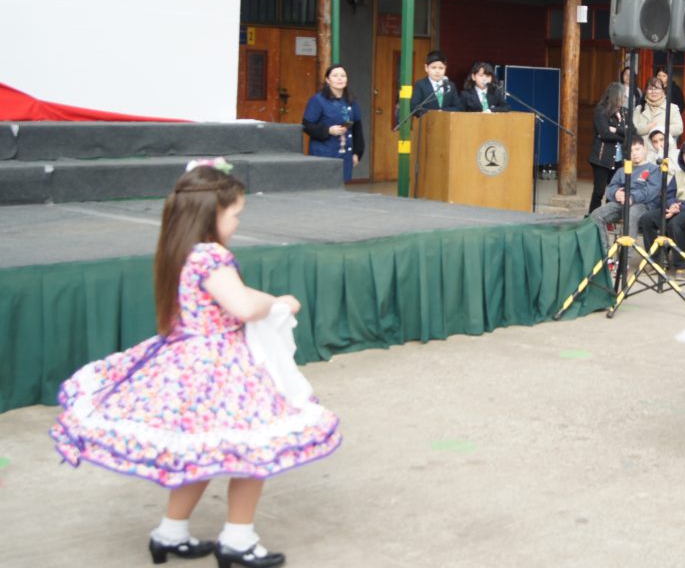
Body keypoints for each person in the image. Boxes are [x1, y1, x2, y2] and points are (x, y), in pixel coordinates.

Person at [50, 163, 341, 568]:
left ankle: (170, 532)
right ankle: (238, 539)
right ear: (211, 214)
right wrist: (279, 303)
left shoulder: (182, 250)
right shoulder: (211, 256)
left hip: (187, 364)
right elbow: (240, 304)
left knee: (202, 451)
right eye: (235, 214)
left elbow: (232, 294)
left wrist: (268, 298)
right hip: (220, 368)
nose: (238, 222)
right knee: (253, 448)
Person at [639, 138, 685, 262]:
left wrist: (680, 208)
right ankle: (657, 258)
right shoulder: (679, 173)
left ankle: (681, 264)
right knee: (647, 218)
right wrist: (672, 205)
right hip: (675, 207)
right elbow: (668, 193)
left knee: (674, 224)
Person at [589, 135, 661, 238]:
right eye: (631, 151)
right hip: (621, 204)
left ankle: (627, 252)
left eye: (637, 149)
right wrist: (615, 193)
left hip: (643, 204)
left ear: (645, 149)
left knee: (630, 214)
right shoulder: (622, 170)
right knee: (596, 215)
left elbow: (651, 191)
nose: (634, 153)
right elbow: (611, 187)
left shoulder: (653, 169)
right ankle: (605, 251)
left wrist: (631, 197)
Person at [303, 64, 364, 182]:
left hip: (345, 153)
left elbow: (357, 129)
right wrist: (328, 130)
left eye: (343, 75)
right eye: (335, 76)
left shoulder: (351, 101)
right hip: (324, 153)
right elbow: (306, 126)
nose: (340, 78)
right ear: (327, 80)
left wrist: (357, 153)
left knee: (341, 187)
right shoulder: (318, 100)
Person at [587, 82, 628, 214]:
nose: (624, 99)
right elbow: (604, 134)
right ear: (616, 96)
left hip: (618, 158)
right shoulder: (601, 110)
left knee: (613, 191)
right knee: (599, 191)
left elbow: (632, 131)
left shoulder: (623, 112)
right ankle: (592, 218)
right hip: (601, 157)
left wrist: (616, 129)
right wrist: (623, 136)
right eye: (623, 96)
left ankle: (607, 218)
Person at [411, 50, 463, 118]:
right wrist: (434, 113)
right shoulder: (420, 84)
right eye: (433, 67)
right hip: (427, 123)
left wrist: (441, 112)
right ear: (426, 68)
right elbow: (414, 107)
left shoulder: (450, 86)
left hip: (446, 122)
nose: (437, 71)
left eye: (441, 68)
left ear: (445, 68)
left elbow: (458, 107)